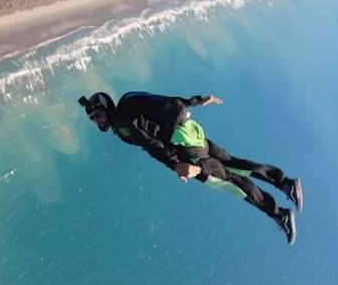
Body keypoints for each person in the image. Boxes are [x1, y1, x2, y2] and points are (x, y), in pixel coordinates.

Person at [78, 91, 303, 244]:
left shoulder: (122, 125)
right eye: (92, 119)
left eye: (97, 115)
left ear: (106, 108)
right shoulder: (129, 99)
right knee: (233, 163)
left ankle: (279, 214)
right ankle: (284, 183)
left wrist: (176, 165)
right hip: (191, 131)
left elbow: (151, 144)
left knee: (231, 182)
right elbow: (167, 101)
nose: (97, 121)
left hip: (185, 149)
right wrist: (195, 101)